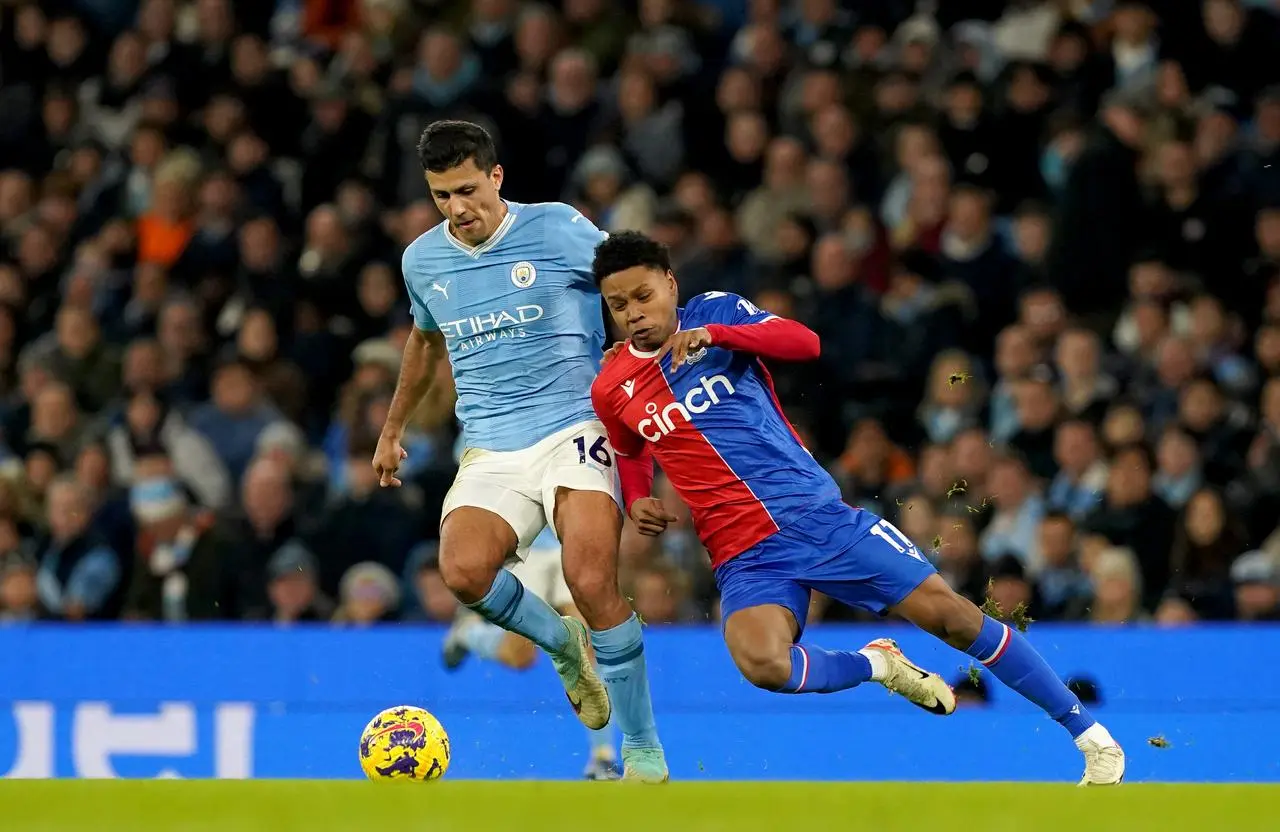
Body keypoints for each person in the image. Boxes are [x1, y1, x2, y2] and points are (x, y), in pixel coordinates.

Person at [589, 231, 1125, 786]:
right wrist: (639, 497)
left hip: (815, 517)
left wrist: (716, 334)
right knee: (763, 664)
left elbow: (805, 343)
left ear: (670, 284)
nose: (634, 313)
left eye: (643, 295)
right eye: (618, 304)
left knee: (951, 617)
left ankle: (1090, 736)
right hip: (741, 552)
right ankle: (878, 664)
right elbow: (630, 448)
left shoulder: (718, 313)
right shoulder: (612, 385)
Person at [372, 121, 666, 782]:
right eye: (443, 195)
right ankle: (560, 646)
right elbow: (425, 341)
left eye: (469, 190)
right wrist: (392, 430)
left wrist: (649, 352)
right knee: (463, 571)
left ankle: (641, 745)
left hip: (574, 427)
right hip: (491, 443)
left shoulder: (558, 228)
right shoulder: (422, 260)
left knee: (592, 582)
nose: (458, 208)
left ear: (497, 176)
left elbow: (629, 281)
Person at [443, 526, 621, 780]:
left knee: (588, 646)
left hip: (572, 544)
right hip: (527, 549)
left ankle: (603, 756)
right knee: (520, 656)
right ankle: (468, 633)